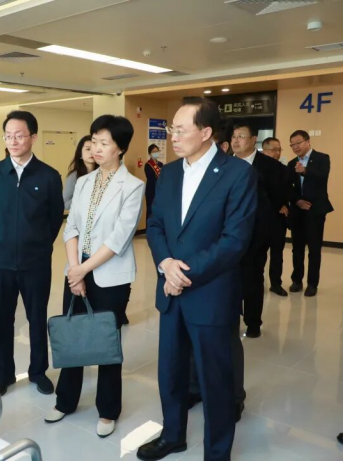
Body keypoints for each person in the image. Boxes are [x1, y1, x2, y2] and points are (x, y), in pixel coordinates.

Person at [138, 98, 257, 461]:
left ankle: (217, 452)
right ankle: (173, 435)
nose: (172, 136)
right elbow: (155, 225)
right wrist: (165, 264)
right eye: (171, 129)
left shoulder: (237, 174)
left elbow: (234, 241)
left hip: (211, 293)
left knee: (215, 380)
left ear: (206, 133)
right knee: (171, 372)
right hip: (171, 291)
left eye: (180, 130)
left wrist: (181, 273)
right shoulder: (170, 173)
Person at [44, 115, 144, 438]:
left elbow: (119, 238)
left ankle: (108, 409)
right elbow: (71, 227)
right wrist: (75, 269)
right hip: (76, 268)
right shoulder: (84, 181)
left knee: (106, 342)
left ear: (120, 148)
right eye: (94, 141)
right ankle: (66, 400)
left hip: (109, 275)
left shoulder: (133, 186)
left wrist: (83, 270)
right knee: (74, 336)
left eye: (104, 143)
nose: (96, 148)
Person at [0, 110, 64, 396]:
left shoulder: (49, 176)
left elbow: (54, 218)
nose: (13, 141)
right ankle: (4, 374)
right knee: (2, 320)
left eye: (19, 135)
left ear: (33, 137)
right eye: (8, 136)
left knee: (37, 318)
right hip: (0, 262)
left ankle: (38, 371)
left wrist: (38, 244)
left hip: (35, 262)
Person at [232, 124, 287, 336]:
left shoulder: (270, 166)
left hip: (257, 234)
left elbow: (277, 199)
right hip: (227, 235)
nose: (236, 140)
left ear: (253, 139)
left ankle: (253, 322)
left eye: (241, 136)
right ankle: (230, 320)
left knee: (253, 277)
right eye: (233, 136)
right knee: (229, 279)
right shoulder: (224, 164)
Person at [286, 130, 333, 297]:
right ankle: (296, 280)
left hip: (316, 210)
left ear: (307, 142)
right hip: (298, 211)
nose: (295, 147)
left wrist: (305, 171)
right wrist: (297, 201)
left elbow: (322, 176)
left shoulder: (322, 158)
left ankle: (312, 284)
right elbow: (288, 187)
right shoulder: (291, 163)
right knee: (297, 248)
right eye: (292, 145)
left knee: (314, 248)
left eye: (298, 143)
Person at [261, 137, 290, 295]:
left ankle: (276, 283)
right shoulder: (255, 167)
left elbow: (286, 190)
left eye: (279, 149)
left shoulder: (283, 169)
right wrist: (278, 204)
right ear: (264, 151)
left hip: (279, 219)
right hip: (261, 218)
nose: (277, 153)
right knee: (258, 254)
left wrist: (284, 204)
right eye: (274, 150)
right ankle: (257, 283)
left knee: (277, 253)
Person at [63, 135, 96, 210]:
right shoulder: (74, 176)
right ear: (80, 154)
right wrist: (86, 199)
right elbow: (65, 203)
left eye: (94, 149)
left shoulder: (104, 173)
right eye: (88, 149)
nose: (92, 152)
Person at [144, 143, 164, 219]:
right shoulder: (148, 165)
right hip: (151, 190)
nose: (156, 153)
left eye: (157, 151)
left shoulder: (161, 164)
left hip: (159, 190)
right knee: (151, 211)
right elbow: (150, 178)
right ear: (150, 153)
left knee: (159, 211)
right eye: (154, 152)